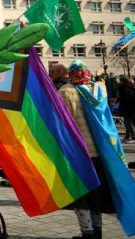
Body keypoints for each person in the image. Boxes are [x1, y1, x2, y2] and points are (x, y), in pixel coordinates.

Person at [60, 61, 118, 239]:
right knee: (97, 195)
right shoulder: (98, 90)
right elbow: (101, 83)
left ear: (71, 74)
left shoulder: (65, 91)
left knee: (82, 195)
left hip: (79, 152)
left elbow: (63, 122)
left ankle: (87, 233)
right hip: (101, 151)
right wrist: (99, 75)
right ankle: (98, 232)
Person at [117, 75, 135, 143]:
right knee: (126, 122)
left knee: (129, 123)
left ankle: (133, 136)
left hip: (128, 108)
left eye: (120, 81)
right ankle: (127, 136)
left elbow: (127, 99)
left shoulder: (127, 89)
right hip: (127, 108)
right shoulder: (124, 88)